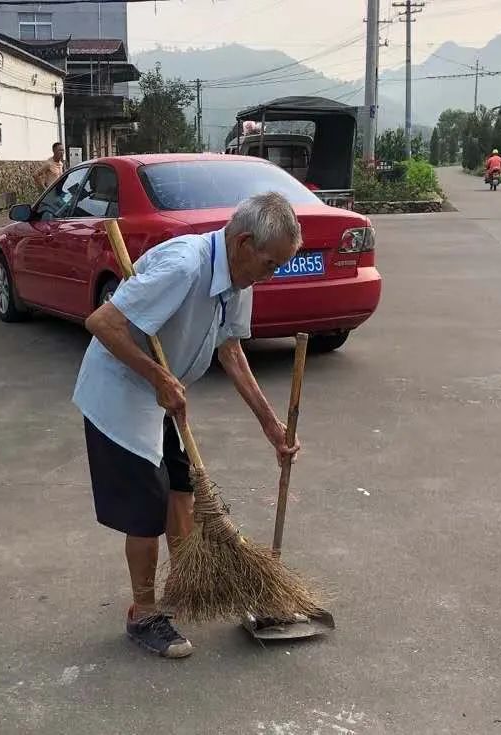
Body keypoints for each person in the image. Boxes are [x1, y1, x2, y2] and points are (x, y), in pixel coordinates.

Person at [73, 191, 302, 659]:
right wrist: (159, 376)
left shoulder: (239, 281)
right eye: (271, 262)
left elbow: (232, 351)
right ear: (242, 243)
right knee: (145, 509)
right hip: (120, 391)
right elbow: (103, 323)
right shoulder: (185, 266)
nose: (272, 273)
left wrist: (271, 427)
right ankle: (144, 613)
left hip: (164, 394)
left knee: (182, 489)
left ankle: (187, 586)